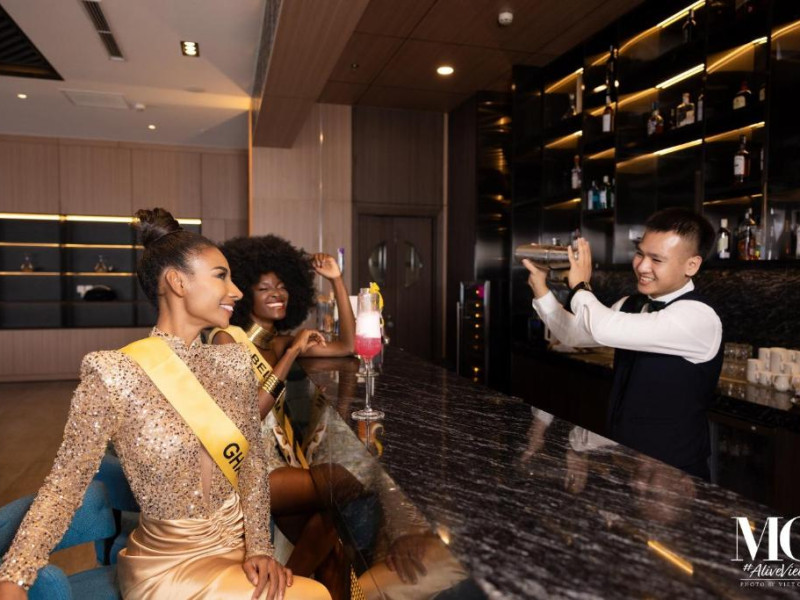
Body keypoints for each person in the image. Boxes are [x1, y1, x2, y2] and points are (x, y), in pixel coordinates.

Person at [0, 208, 330, 600]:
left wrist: (259, 546)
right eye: (221, 276)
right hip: (171, 566)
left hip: (237, 550)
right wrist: (15, 577)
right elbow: (65, 486)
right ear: (177, 281)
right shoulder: (115, 373)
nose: (237, 291)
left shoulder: (233, 362)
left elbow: (252, 463)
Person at [522, 208, 723, 479]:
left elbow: (604, 327)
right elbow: (574, 334)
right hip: (627, 461)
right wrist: (540, 289)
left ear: (692, 265)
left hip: (674, 473)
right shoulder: (630, 304)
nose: (642, 266)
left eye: (657, 259)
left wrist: (580, 286)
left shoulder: (698, 317)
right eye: (640, 254)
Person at [210, 235, 359, 600]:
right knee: (344, 485)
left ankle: (290, 587)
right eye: (264, 288)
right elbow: (248, 419)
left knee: (334, 549)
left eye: (282, 286)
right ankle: (286, 589)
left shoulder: (275, 343)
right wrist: (292, 354)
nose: (277, 294)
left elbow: (348, 346)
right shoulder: (225, 340)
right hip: (246, 470)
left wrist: (336, 280)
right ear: (244, 293)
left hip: (280, 465)